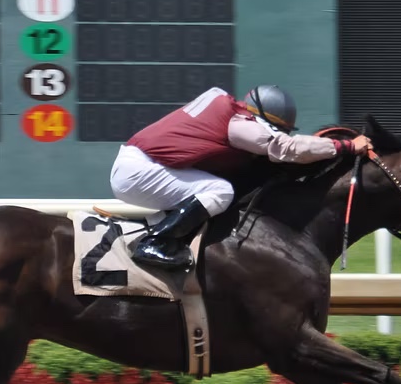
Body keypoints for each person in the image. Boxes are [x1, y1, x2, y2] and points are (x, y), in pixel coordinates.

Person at [110, 85, 371, 270]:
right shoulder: (240, 124)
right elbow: (286, 148)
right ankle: (155, 243)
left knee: (217, 188)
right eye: (277, 129)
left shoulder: (231, 112)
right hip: (139, 171)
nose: (276, 134)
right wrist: (345, 147)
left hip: (142, 166)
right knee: (219, 191)